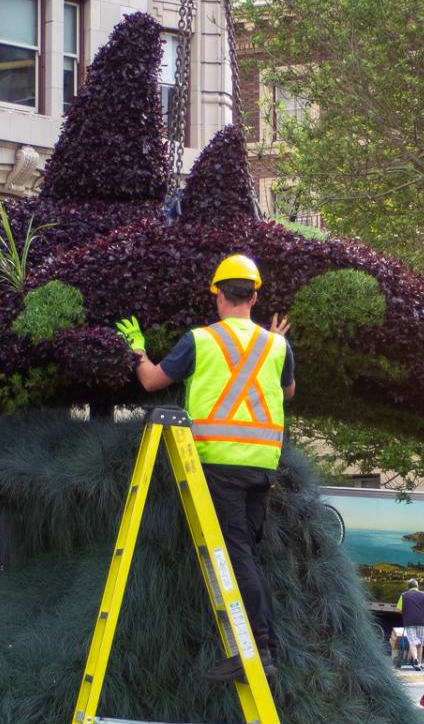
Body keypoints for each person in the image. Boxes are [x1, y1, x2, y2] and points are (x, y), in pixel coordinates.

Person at [117, 254, 296, 680]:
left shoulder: (200, 341)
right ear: (254, 297)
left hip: (218, 464)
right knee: (246, 555)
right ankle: (263, 647)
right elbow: (286, 393)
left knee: (235, 556)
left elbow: (152, 381)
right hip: (261, 468)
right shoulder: (277, 345)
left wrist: (138, 351)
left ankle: (256, 652)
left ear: (218, 295)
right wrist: (271, 344)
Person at [398, 578, 424, 671]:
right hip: (421, 622)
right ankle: (420, 663)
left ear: (408, 587)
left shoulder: (404, 595)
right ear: (417, 586)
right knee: (420, 643)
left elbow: (399, 609)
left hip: (409, 622)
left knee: (412, 641)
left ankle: (415, 660)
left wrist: (406, 612)